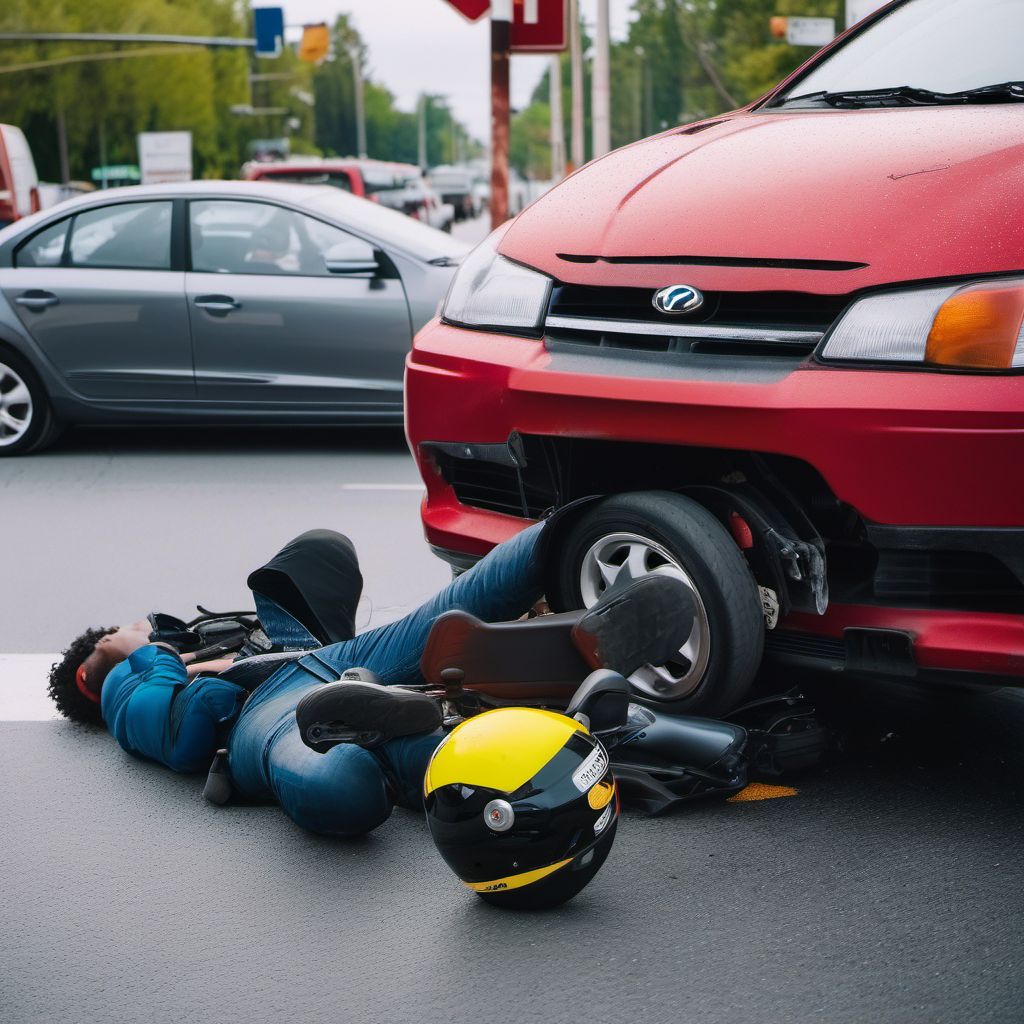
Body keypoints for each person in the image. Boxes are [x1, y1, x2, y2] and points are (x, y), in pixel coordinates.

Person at [48, 524, 555, 837]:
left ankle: (564, 538)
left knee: (432, 629)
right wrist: (159, 652)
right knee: (347, 776)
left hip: (310, 666)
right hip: (265, 713)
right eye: (121, 629)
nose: (137, 626)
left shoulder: (176, 653)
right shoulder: (119, 692)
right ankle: (568, 534)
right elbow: (179, 739)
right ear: (90, 665)